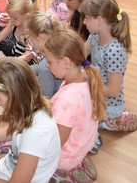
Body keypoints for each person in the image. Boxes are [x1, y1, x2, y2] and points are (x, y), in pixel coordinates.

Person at [44, 29, 106, 182]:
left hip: (63, 159)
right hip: (79, 150)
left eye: (50, 61)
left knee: (14, 142)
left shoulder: (68, 100)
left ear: (66, 62)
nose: (46, 65)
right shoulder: (84, 76)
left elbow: (56, 143)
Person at [79, 0, 137, 133]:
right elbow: (81, 54)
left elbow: (113, 90)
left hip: (108, 104)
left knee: (80, 118)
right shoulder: (94, 36)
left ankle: (117, 118)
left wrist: (87, 85)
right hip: (95, 91)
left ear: (99, 20)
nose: (84, 22)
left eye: (87, 18)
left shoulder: (115, 51)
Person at [24, 12, 63, 98]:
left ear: (40, 38)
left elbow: (45, 99)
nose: (31, 42)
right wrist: (22, 69)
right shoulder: (59, 49)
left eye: (31, 39)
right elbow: (37, 68)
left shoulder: (45, 67)